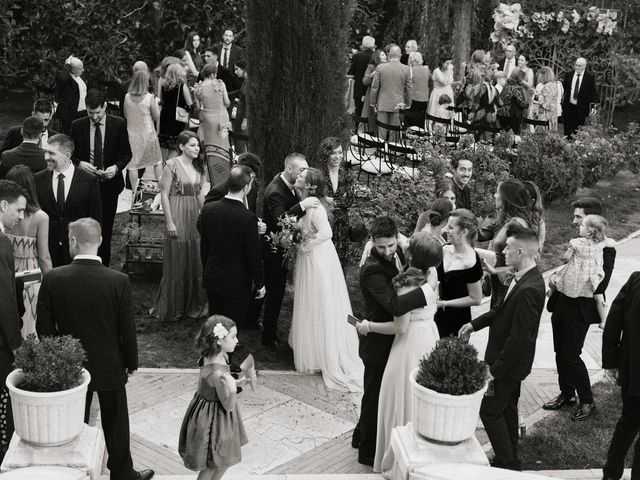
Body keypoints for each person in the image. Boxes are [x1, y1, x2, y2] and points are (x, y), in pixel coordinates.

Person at [36, 218, 153, 480]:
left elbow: (44, 328)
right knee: (116, 421)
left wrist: (57, 364)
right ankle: (122, 473)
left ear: (73, 241)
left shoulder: (54, 278)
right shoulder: (118, 281)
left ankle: (70, 471)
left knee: (72, 423)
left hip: (70, 367)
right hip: (110, 363)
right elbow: (127, 328)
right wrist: (131, 362)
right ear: (100, 241)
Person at [352, 216, 436, 466]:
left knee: (383, 397)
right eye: (381, 248)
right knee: (374, 397)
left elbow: (417, 248)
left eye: (391, 245)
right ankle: (367, 453)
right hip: (378, 342)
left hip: (399, 341)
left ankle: (361, 437)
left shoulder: (401, 249)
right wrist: (428, 290)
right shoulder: (371, 271)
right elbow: (395, 304)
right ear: (372, 243)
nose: (388, 252)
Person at [460, 224, 545, 471]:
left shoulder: (530, 288)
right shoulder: (523, 277)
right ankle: (510, 457)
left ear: (520, 252)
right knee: (506, 409)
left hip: (508, 364)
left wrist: (494, 371)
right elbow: (502, 312)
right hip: (508, 362)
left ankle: (508, 463)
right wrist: (474, 324)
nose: (503, 252)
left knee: (489, 411)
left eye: (507, 248)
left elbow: (520, 339)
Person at [369, 233, 441, 476]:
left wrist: (368, 326)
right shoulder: (432, 274)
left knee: (399, 394)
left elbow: (400, 327)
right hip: (430, 337)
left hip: (409, 343)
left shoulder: (405, 284)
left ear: (409, 255)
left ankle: (399, 456)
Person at [288, 168, 362, 391]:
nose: (298, 177)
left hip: (317, 258)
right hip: (310, 255)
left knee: (320, 302)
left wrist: (303, 245)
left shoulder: (315, 205)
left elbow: (326, 233)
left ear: (310, 184)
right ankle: (312, 350)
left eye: (302, 176)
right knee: (310, 303)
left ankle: (324, 353)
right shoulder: (306, 201)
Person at [544, 197, 616, 421]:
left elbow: (602, 284)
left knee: (571, 355)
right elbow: (566, 266)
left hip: (581, 307)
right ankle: (567, 394)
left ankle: (587, 400)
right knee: (559, 352)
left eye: (579, 217)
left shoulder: (606, 250)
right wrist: (558, 279)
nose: (574, 221)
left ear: (593, 224)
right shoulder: (577, 243)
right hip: (563, 301)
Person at [178, 316, 249, 480]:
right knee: (216, 462)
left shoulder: (217, 354)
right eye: (233, 336)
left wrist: (235, 381)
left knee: (222, 460)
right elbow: (228, 406)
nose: (237, 340)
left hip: (207, 410)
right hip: (215, 419)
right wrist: (232, 390)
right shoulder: (216, 373)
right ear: (218, 340)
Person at [261, 153, 319, 350]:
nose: (305, 173)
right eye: (302, 169)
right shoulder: (276, 191)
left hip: (283, 246)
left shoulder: (291, 185)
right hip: (273, 249)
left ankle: (250, 318)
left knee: (268, 287)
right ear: (289, 169)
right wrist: (302, 205)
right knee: (275, 292)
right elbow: (280, 221)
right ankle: (268, 336)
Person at [70, 88, 132, 267]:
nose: (95, 117)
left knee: (105, 227)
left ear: (105, 106)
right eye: (90, 113)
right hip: (84, 185)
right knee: (83, 226)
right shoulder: (77, 125)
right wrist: (80, 163)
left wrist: (116, 168)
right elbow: (70, 155)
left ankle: (102, 267)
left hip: (109, 185)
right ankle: (80, 264)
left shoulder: (118, 124)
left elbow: (126, 154)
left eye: (98, 112)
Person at [150, 131, 207, 322]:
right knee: (178, 254)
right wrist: (169, 221)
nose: (197, 148)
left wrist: (205, 215)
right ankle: (174, 306)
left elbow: (199, 195)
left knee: (194, 254)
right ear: (181, 147)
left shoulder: (199, 168)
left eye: (198, 145)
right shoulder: (171, 165)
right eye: (192, 145)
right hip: (176, 211)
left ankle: (192, 303)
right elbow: (164, 194)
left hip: (193, 216)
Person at [198, 165, 265, 326]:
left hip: (212, 274)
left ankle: (214, 349)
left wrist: (207, 266)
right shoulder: (248, 218)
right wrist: (260, 283)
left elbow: (204, 243)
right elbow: (253, 255)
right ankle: (227, 350)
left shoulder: (208, 209)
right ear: (246, 187)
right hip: (237, 281)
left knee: (215, 320)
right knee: (232, 323)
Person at [35, 134, 101, 267]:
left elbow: (95, 217)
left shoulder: (88, 180)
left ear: (67, 155)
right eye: (45, 152)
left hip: (78, 251)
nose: (46, 157)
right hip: (48, 251)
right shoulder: (38, 179)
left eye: (51, 153)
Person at [4, 166, 52, 337]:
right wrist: (52, 283)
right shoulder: (40, 217)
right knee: (30, 329)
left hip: (7, 277)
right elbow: (44, 257)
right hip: (31, 280)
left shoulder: (4, 215)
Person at [601, 271, 640, 480]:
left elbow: (614, 321)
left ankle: (610, 474)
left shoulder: (636, 279)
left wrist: (611, 362)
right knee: (627, 423)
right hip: (633, 373)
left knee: (627, 423)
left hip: (633, 374)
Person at [0, 180, 26, 460]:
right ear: (3, 205)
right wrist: (15, 343)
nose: (20, 217)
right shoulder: (2, 243)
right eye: (18, 210)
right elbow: (4, 298)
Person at [550, 214, 614, 328]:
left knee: (559, 277)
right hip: (591, 275)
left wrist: (568, 255)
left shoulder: (576, 243)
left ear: (589, 232)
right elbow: (611, 242)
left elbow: (566, 258)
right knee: (599, 297)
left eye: (582, 225)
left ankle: (550, 292)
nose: (578, 225)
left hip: (580, 296)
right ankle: (604, 320)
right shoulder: (601, 244)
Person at [480, 179, 534, 309]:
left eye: (497, 192)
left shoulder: (516, 224)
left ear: (506, 198)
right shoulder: (504, 218)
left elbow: (520, 260)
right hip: (497, 278)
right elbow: (482, 235)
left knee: (499, 319)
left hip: (505, 281)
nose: (494, 195)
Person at [435, 209, 483, 337]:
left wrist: (445, 304)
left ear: (464, 232)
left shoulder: (471, 262)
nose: (445, 230)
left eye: (450, 227)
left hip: (457, 321)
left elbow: (476, 298)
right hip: (437, 315)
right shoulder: (444, 249)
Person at [124, 68, 162, 191]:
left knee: (133, 164)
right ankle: (161, 188)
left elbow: (125, 114)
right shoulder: (149, 97)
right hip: (148, 133)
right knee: (157, 161)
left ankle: (135, 192)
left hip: (132, 134)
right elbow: (156, 117)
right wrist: (158, 107)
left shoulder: (127, 97)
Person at [318, 137, 354, 268]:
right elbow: (315, 197)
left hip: (342, 223)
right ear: (326, 153)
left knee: (341, 258)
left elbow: (349, 199)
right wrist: (324, 199)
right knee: (324, 258)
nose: (337, 156)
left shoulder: (346, 174)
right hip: (324, 221)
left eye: (340, 152)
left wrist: (329, 200)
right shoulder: (319, 175)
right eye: (333, 153)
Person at [370, 45, 413, 132]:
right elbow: (409, 88)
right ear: (400, 55)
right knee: (394, 132)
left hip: (383, 102)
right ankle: (392, 145)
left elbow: (375, 87)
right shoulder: (406, 69)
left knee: (382, 130)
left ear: (389, 55)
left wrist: (373, 102)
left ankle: (381, 145)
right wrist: (408, 103)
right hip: (398, 104)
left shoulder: (380, 68)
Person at [158, 63, 193, 160]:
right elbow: (190, 105)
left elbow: (161, 101)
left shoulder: (163, 86)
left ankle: (166, 165)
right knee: (177, 146)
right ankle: (169, 165)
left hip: (165, 117)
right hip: (177, 119)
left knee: (166, 146)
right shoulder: (182, 86)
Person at [195, 63, 231, 148]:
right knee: (223, 143)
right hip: (222, 119)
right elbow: (227, 102)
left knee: (210, 143)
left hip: (207, 119)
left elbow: (198, 108)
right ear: (212, 74)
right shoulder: (220, 84)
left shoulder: (198, 88)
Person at [562, 57, 597, 138]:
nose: (577, 67)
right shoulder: (569, 75)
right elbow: (564, 89)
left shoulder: (589, 78)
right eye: (576, 65)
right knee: (567, 128)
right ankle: (565, 145)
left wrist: (594, 106)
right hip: (569, 106)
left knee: (577, 130)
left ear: (584, 66)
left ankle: (574, 146)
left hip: (581, 107)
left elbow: (593, 93)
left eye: (580, 66)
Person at [54, 56, 87, 134]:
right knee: (71, 135)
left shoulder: (80, 77)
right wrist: (67, 65)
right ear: (72, 69)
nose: (83, 70)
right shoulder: (66, 80)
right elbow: (63, 79)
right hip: (70, 114)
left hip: (83, 112)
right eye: (80, 69)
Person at [348, 36, 376, 118]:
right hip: (371, 87)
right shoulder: (376, 57)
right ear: (373, 45)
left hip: (359, 87)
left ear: (363, 44)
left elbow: (351, 71)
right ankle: (370, 129)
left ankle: (358, 129)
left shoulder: (357, 56)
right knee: (371, 113)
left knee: (359, 111)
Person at [361, 50, 388, 133]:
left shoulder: (388, 67)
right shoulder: (371, 67)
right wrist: (372, 75)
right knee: (371, 118)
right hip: (372, 96)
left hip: (384, 96)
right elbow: (365, 81)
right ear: (377, 57)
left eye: (385, 55)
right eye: (382, 55)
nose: (385, 56)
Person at [497, 68, 529, 135]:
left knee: (504, 136)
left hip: (501, 114)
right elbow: (522, 103)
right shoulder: (516, 88)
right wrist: (528, 104)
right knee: (513, 137)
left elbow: (500, 99)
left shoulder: (506, 85)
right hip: (512, 116)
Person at [405, 52, 429, 128]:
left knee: (410, 123)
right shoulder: (427, 70)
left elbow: (406, 85)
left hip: (413, 100)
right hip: (424, 100)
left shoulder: (410, 70)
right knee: (420, 124)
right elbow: (431, 83)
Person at [532, 66, 559, 131]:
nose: (538, 77)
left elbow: (547, 104)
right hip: (551, 113)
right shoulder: (553, 84)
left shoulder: (549, 86)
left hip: (546, 115)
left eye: (540, 75)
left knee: (544, 134)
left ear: (544, 75)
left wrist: (535, 101)